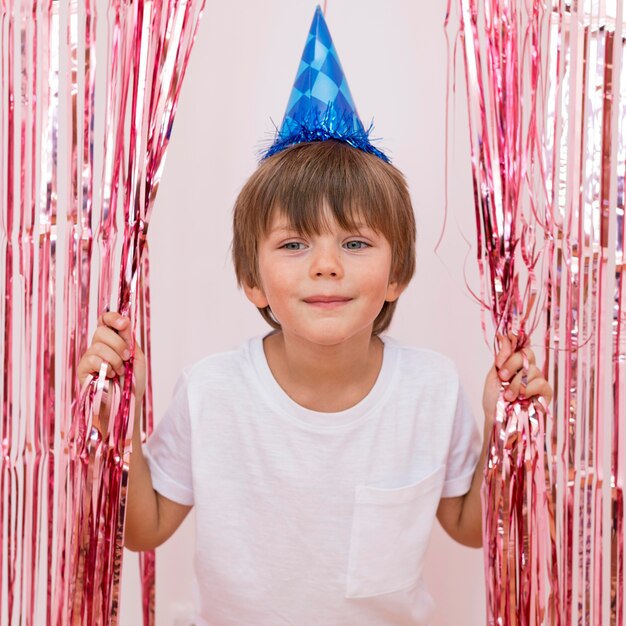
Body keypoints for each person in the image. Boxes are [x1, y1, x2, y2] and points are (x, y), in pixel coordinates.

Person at [77, 8, 552, 625]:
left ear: (397, 275)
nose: (325, 265)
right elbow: (145, 529)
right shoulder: (212, 393)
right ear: (253, 282)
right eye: (294, 244)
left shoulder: (430, 391)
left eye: (354, 244)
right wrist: (116, 422)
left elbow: (470, 528)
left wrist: (503, 430)